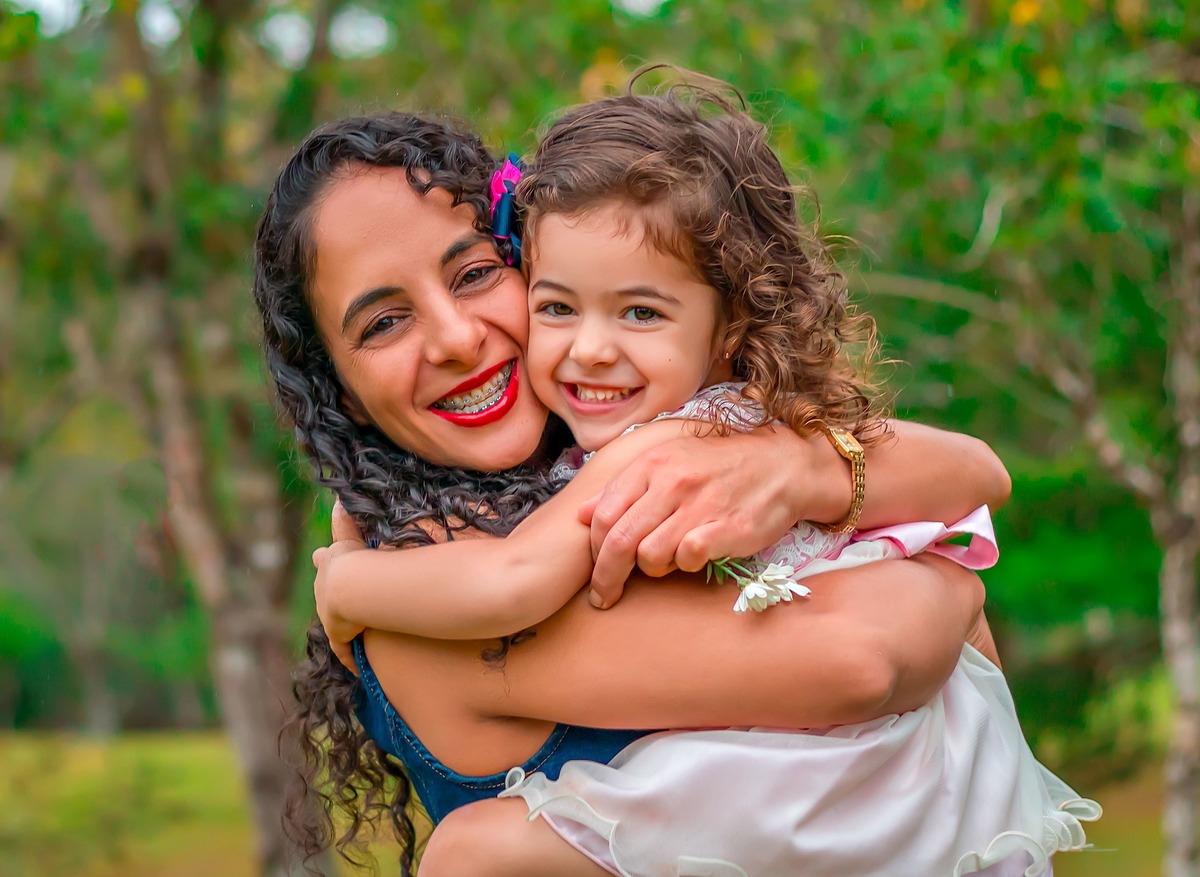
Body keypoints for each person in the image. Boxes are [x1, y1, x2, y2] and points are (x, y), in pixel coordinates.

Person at [305, 87, 1099, 877]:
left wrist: (351, 583)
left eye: (475, 273)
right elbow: (871, 653)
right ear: (335, 388)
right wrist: (946, 590)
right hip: (875, 796)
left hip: (870, 794)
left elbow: (976, 476)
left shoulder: (671, 442)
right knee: (476, 855)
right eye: (383, 321)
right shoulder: (478, 549)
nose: (589, 349)